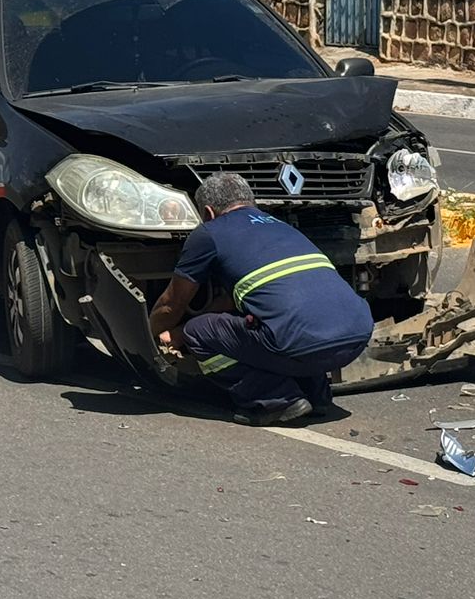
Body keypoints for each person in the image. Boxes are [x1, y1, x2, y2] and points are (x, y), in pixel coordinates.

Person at [149, 173, 374, 425]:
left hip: (299, 345)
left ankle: (275, 399)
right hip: (356, 337)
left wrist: (156, 334)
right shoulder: (281, 226)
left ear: (209, 213)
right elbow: (237, 302)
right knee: (294, 319)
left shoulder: (209, 233)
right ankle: (317, 396)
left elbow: (172, 303)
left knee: (197, 333)